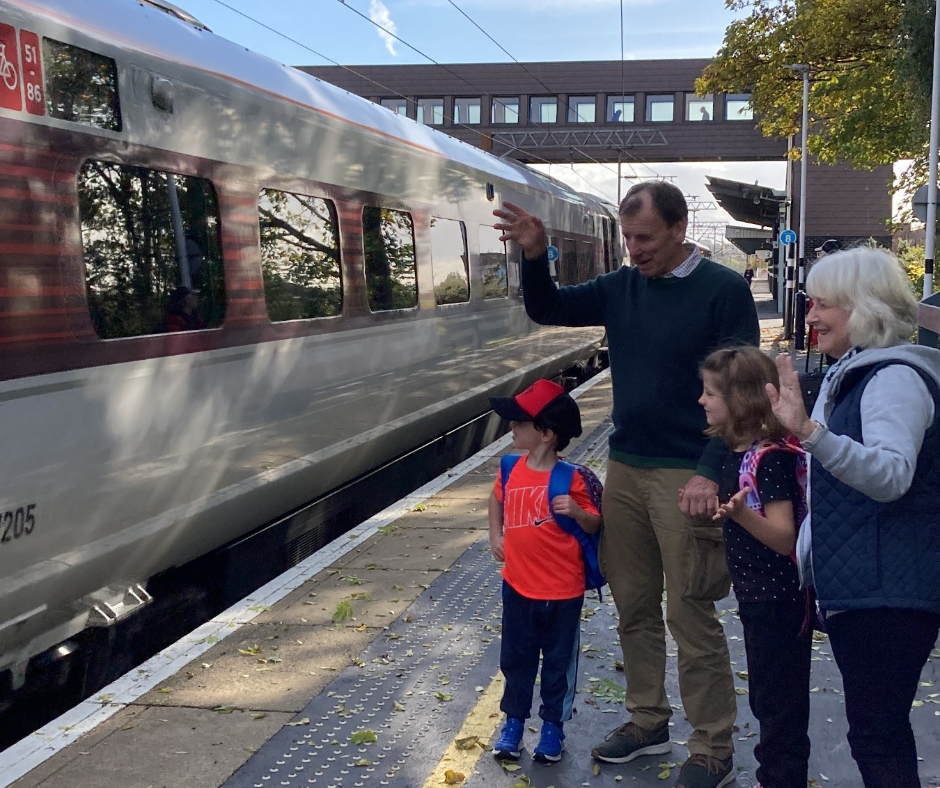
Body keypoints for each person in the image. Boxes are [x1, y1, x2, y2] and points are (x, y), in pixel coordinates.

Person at [494, 181, 759, 788]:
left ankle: (713, 747)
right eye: (629, 237)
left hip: (687, 470)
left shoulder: (723, 290)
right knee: (634, 605)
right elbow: (549, 308)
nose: (633, 249)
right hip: (627, 467)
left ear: (678, 229)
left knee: (688, 609)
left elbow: (742, 393)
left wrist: (708, 470)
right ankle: (647, 719)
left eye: (644, 238)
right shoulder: (622, 287)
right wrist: (535, 256)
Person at [767, 246, 940, 788]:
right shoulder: (857, 371)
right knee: (876, 730)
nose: (811, 316)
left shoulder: (893, 379)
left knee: (877, 733)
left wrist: (812, 434)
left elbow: (892, 476)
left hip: (888, 589)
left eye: (822, 305)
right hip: (870, 583)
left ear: (862, 307)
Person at [696, 347, 811, 788]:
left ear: (741, 398)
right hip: (757, 596)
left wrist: (742, 516)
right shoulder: (736, 451)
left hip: (778, 599)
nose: (702, 401)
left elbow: (784, 537)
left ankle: (781, 779)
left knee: (779, 702)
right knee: (768, 697)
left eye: (710, 393)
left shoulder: (770, 458)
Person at [487, 379, 602, 765]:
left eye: (520, 423)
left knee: (557, 664)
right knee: (516, 659)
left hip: (563, 591)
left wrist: (578, 511)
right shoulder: (509, 468)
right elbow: (495, 499)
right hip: (517, 587)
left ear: (547, 434)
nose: (512, 429)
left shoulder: (572, 479)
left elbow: (595, 525)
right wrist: (495, 535)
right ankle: (513, 724)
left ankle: (553, 726)